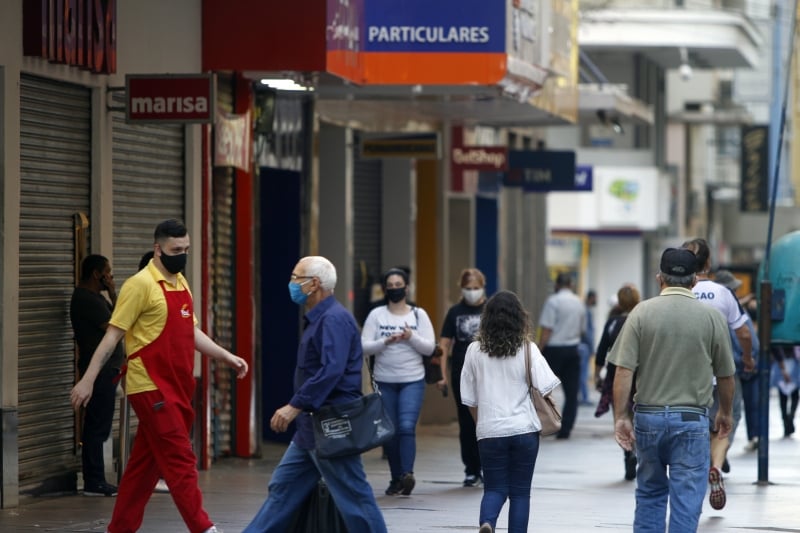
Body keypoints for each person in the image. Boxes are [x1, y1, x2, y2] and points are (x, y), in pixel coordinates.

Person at [70, 219, 248, 533]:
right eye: (176, 250)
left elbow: (191, 332)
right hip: (150, 386)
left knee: (144, 466)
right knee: (180, 458)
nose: (182, 256)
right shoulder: (139, 285)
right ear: (158, 249)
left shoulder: (181, 283)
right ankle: (203, 528)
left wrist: (226, 356)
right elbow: (112, 337)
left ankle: (120, 528)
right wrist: (87, 380)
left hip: (178, 385)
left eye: (186, 250)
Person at [243, 256, 387, 533]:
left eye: (296, 278)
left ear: (315, 283)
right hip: (311, 428)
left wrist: (294, 405)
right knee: (283, 489)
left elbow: (330, 371)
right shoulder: (320, 319)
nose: (292, 284)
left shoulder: (334, 320)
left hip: (332, 425)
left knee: (354, 495)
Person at [610, 247, 735, 532]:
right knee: (687, 498)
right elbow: (726, 375)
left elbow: (623, 370)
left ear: (660, 278)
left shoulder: (641, 313)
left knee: (650, 492)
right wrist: (725, 412)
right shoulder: (711, 318)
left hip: (648, 418)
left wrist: (621, 417)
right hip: (692, 420)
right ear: (695, 281)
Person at [460, 290, 560, 533]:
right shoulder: (528, 349)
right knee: (520, 493)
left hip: (490, 431)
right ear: (519, 318)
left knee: (494, 488)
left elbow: (469, 399)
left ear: (487, 318)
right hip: (524, 430)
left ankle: (487, 522)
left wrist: (481, 423)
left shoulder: (473, 350)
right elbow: (546, 386)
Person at [683, 238, 754, 510]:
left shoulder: (678, 292)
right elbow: (744, 333)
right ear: (709, 263)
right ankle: (715, 465)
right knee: (724, 424)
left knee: (696, 428)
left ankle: (696, 471)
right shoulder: (723, 293)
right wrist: (747, 358)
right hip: (720, 375)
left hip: (687, 378)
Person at [361, 267, 436, 495]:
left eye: (398, 285)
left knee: (406, 427)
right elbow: (363, 346)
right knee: (390, 431)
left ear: (407, 288)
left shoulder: (418, 315)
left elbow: (429, 348)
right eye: (390, 286)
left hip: (412, 380)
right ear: (385, 290)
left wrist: (411, 337)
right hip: (385, 381)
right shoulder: (376, 315)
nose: (395, 289)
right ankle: (396, 479)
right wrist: (385, 341)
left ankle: (407, 474)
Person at [70, 254, 125, 497]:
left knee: (100, 424)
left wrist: (112, 294)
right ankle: (94, 481)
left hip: (106, 371)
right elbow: (118, 326)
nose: (111, 277)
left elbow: (120, 318)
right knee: (96, 426)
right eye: (108, 273)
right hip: (98, 372)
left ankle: (96, 479)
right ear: (96, 274)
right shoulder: (86, 299)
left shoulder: (97, 298)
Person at [438, 267, 488, 487]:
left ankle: (487, 465)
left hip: (487, 374)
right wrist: (441, 375)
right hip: (461, 373)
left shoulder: (491, 309)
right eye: (468, 288)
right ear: (462, 288)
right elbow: (444, 344)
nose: (472, 292)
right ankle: (471, 469)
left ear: (483, 287)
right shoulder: (455, 312)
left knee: (486, 421)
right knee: (466, 422)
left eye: (476, 288)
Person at [593, 284, 641, 480]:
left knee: (621, 416)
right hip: (640, 376)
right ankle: (636, 450)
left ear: (620, 302)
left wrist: (597, 375)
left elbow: (601, 350)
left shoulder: (613, 322)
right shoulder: (641, 319)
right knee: (637, 416)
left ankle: (628, 452)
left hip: (616, 377)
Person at [714, 269, 761, 454]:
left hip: (703, 371)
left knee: (708, 416)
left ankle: (712, 453)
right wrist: (748, 360)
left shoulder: (706, 306)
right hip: (730, 370)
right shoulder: (734, 310)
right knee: (730, 414)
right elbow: (746, 337)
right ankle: (718, 455)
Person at [537, 272, 586, 439]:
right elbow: (582, 329)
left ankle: (543, 423)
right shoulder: (579, 302)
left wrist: (539, 349)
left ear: (557, 285)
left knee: (541, 389)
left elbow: (547, 329)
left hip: (553, 350)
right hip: (572, 350)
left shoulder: (553, 301)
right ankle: (566, 429)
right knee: (571, 393)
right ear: (571, 285)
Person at [770, 345, 800, 437]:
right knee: (787, 399)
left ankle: (789, 420)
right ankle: (787, 421)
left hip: (790, 364)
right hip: (783, 363)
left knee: (789, 398)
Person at [577, 289, 597, 406]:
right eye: (595, 298)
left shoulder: (585, 309)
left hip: (583, 346)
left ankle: (582, 396)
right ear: (591, 298)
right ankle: (584, 397)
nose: (596, 300)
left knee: (582, 373)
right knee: (583, 373)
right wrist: (592, 347)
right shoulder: (586, 311)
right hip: (585, 346)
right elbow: (587, 332)